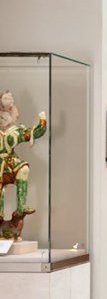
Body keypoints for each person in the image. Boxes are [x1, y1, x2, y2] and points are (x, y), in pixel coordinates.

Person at [0, 90, 47, 240]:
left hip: (11, 161)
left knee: (23, 169)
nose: (3, 119)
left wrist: (42, 121)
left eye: (6, 116)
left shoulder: (15, 132)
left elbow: (36, 132)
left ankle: (21, 207)